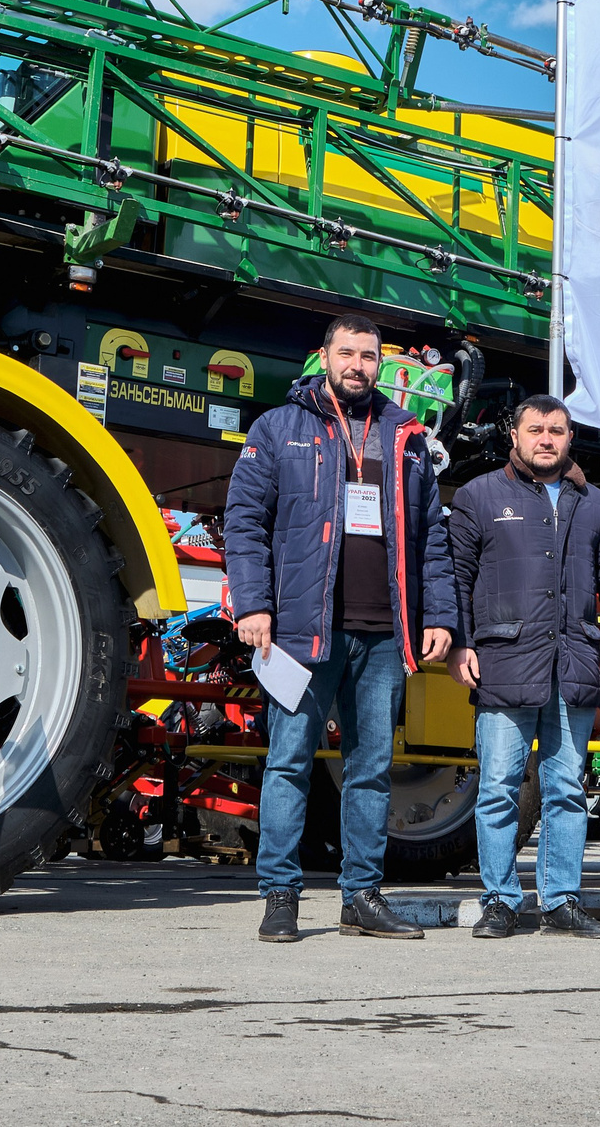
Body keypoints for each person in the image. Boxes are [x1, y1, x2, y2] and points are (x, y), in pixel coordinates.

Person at [225, 313, 455, 943]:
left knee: (371, 767)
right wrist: (253, 604)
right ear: (323, 356)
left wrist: (437, 615)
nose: (358, 365)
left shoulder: (405, 435)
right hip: (302, 631)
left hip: (383, 635)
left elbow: (432, 537)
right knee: (289, 762)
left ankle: (362, 897)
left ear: (382, 365)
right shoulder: (277, 429)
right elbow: (244, 521)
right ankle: (280, 896)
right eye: (347, 353)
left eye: (370, 356)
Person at [445, 395, 600, 939]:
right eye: (535, 429)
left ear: (569, 438)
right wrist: (458, 646)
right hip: (503, 661)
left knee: (566, 789)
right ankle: (500, 901)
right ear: (514, 435)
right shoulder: (478, 496)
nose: (546, 439)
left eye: (556, 430)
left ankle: (560, 900)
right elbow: (456, 580)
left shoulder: (594, 503)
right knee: (498, 789)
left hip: (574, 663)